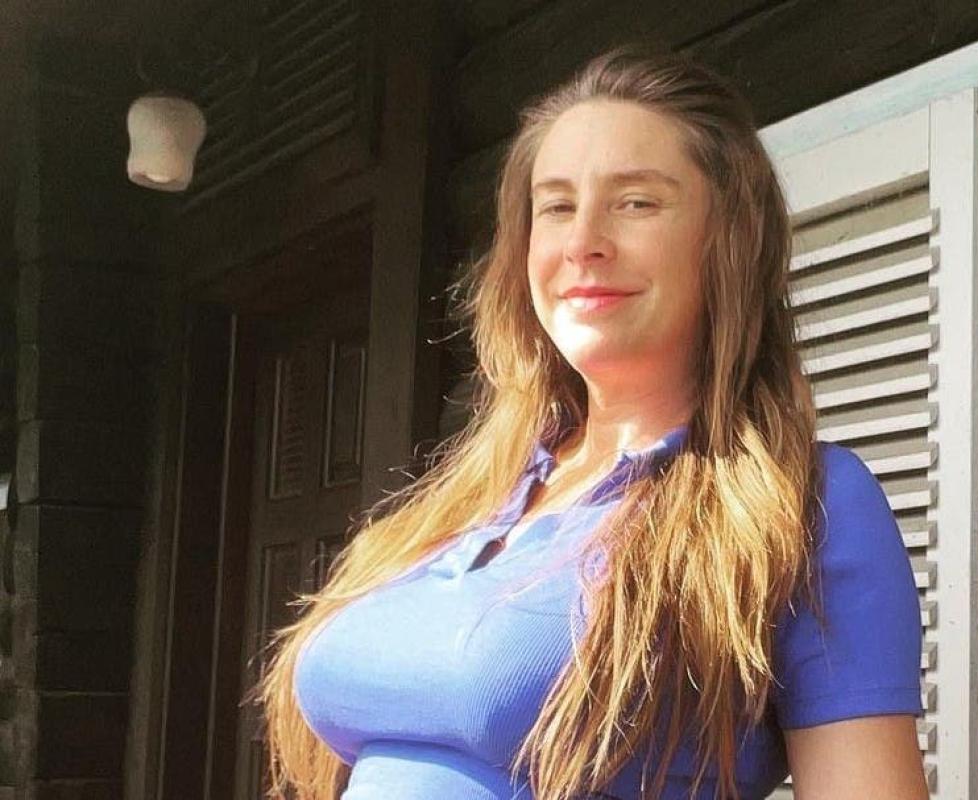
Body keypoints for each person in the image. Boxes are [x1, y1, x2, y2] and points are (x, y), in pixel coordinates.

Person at [257, 44, 928, 800]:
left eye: (636, 202)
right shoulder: (467, 502)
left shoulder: (809, 505)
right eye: (556, 207)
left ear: (729, 239)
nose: (583, 243)